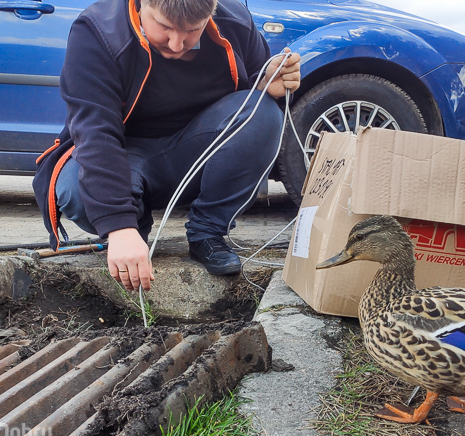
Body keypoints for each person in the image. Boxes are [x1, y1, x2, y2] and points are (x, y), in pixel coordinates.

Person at [33, 0, 301, 292]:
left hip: (194, 154)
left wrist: (264, 86)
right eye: (164, 27)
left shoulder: (235, 21)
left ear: (211, 12)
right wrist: (119, 226)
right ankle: (135, 231)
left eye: (191, 31)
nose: (176, 44)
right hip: (125, 156)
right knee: (74, 191)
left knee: (262, 112)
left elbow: (245, 103)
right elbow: (96, 134)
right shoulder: (98, 31)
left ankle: (207, 232)